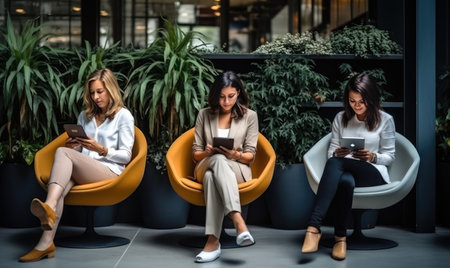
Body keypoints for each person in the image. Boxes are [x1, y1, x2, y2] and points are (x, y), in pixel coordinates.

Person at [19, 68, 135, 262]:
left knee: (62, 154)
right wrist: (75, 146)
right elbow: (82, 154)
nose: (96, 97)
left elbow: (126, 156)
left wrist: (101, 149)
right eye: (92, 93)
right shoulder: (85, 115)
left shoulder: (124, 116)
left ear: (111, 90)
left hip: (109, 172)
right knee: (61, 185)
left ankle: (48, 206)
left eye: (100, 91)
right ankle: (45, 244)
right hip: (86, 169)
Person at [301, 73, 395, 260]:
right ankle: (340, 239)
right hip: (345, 171)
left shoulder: (385, 120)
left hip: (373, 174)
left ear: (371, 99)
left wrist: (372, 156)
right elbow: (331, 153)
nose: (357, 105)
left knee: (337, 164)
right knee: (344, 179)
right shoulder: (341, 118)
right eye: (352, 101)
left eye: (362, 101)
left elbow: (390, 156)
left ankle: (313, 227)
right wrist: (338, 153)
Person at [192, 70, 258, 263]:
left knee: (214, 176)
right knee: (217, 161)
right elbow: (195, 155)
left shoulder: (250, 116)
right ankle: (238, 221)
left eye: (231, 96)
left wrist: (235, 154)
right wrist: (207, 152)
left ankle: (213, 242)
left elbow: (250, 156)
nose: (226, 102)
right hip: (206, 163)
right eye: (221, 97)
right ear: (215, 95)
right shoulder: (204, 114)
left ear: (238, 92)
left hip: (236, 168)